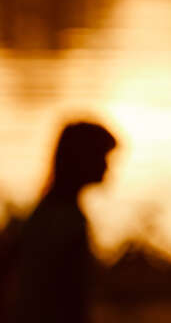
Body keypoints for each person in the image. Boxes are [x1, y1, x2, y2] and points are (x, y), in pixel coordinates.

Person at [8, 120, 117, 323]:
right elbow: (71, 300)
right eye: (102, 156)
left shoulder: (44, 213)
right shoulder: (69, 221)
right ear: (82, 159)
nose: (107, 166)